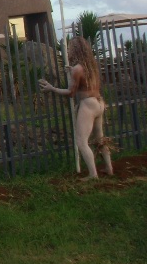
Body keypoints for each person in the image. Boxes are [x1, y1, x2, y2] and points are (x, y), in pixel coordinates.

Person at [39, 36, 114, 179]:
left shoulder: (77, 69)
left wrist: (52, 88)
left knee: (81, 141)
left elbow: (70, 93)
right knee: (100, 138)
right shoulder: (91, 66)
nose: (68, 50)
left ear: (75, 50)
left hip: (88, 105)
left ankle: (93, 174)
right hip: (99, 102)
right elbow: (84, 80)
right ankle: (109, 168)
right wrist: (73, 69)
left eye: (69, 48)